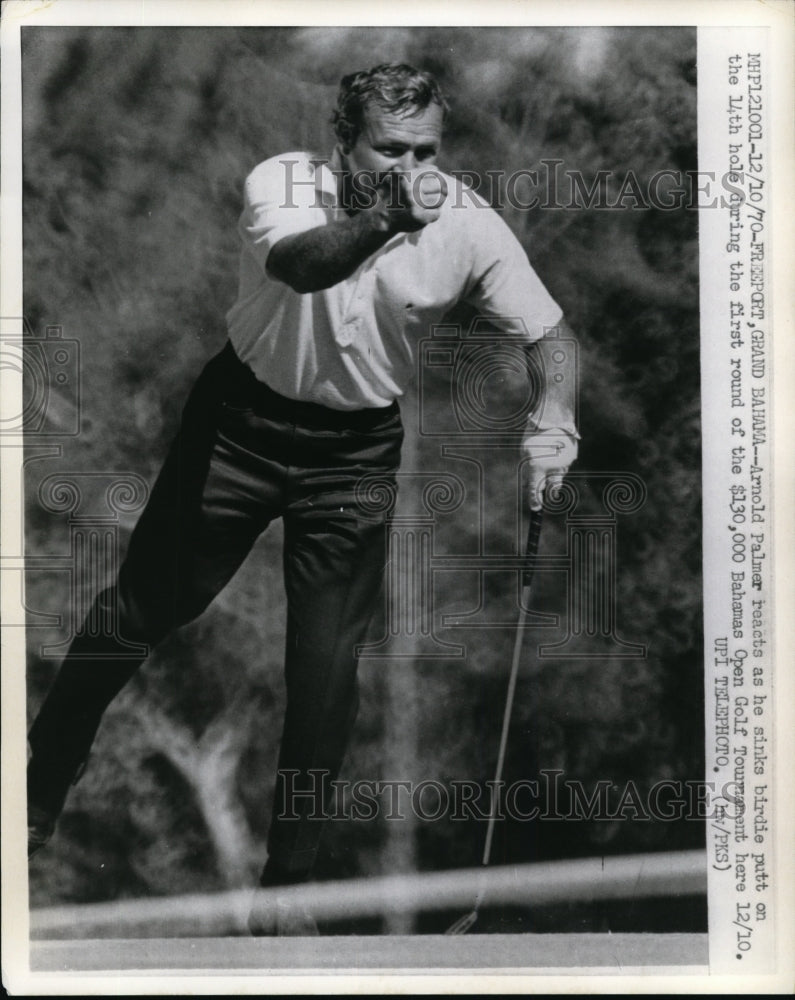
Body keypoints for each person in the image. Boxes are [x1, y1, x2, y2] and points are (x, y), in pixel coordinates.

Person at [26, 63, 578, 934]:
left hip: (353, 453)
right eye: (387, 149)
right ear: (341, 144)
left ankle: (286, 896)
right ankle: (37, 786)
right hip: (240, 427)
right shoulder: (284, 183)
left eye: (423, 150)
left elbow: (548, 331)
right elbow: (300, 266)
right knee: (140, 610)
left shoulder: (466, 221)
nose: (407, 166)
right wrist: (388, 215)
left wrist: (555, 412)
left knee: (325, 674)